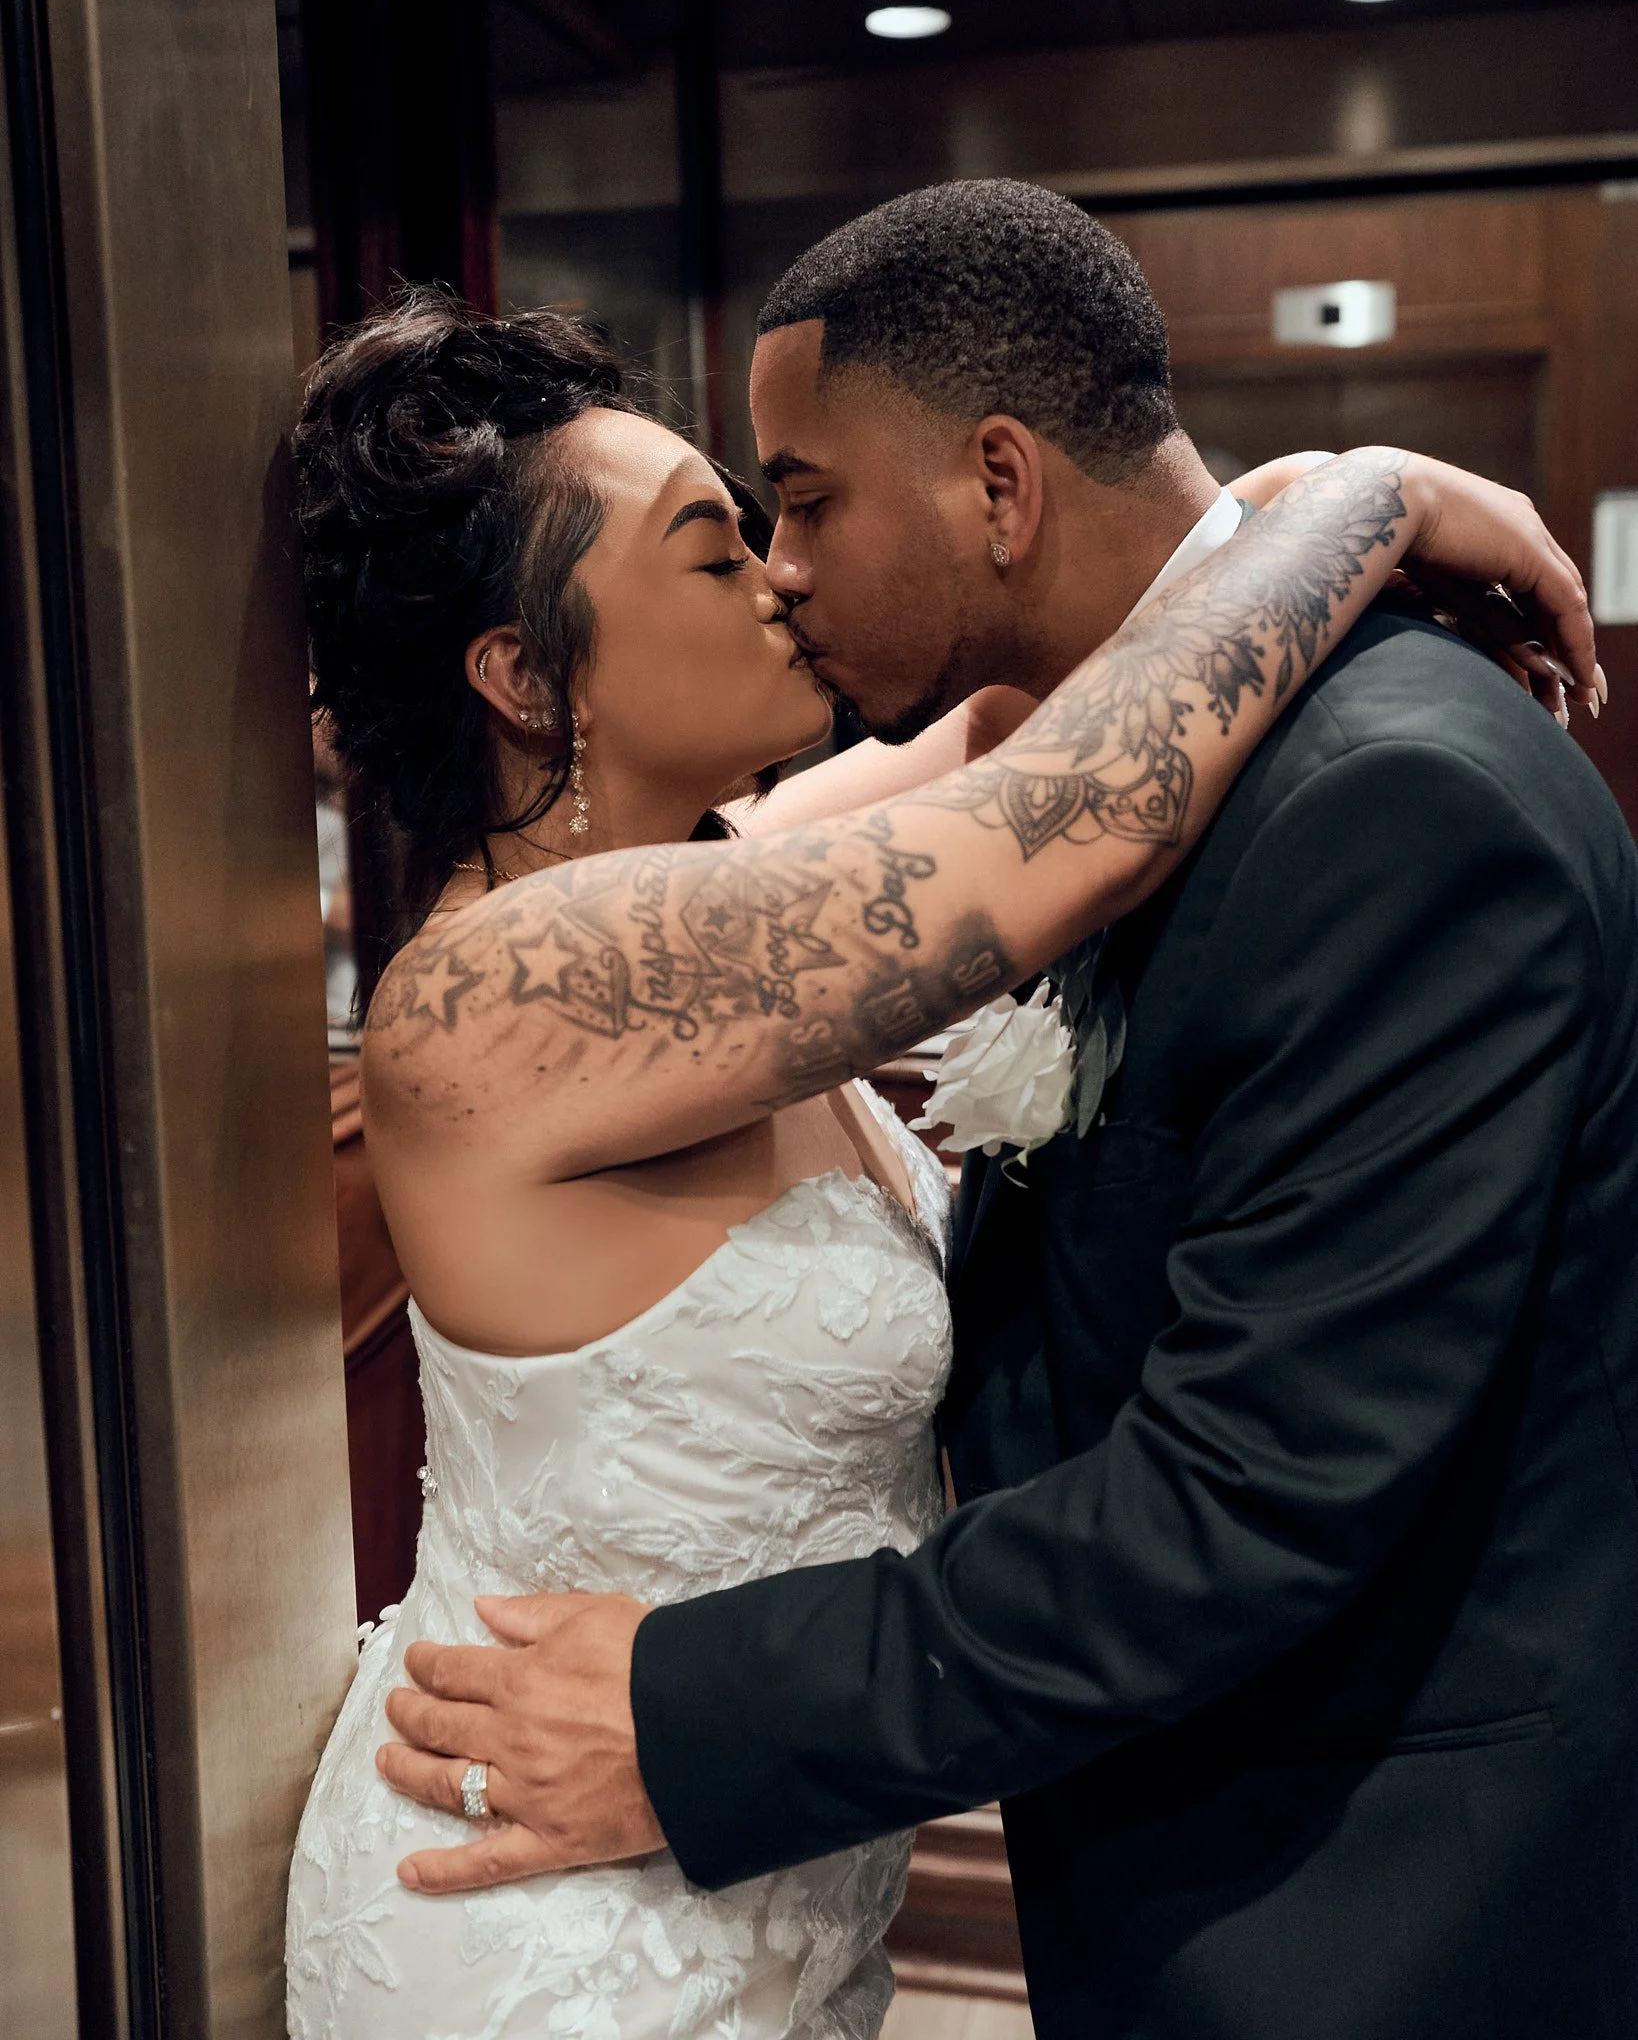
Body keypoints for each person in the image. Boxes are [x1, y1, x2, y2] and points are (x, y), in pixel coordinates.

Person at [370, 181, 1634, 2040]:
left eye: (796, 506)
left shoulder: (1366, 808)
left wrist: (1302, 507)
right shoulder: (541, 978)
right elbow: (1066, 802)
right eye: (725, 544)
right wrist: (1358, 494)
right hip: (552, 1854)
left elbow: (1247, 1493)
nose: (781, 571)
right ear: (521, 672)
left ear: (996, 482)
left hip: (1359, 1900)